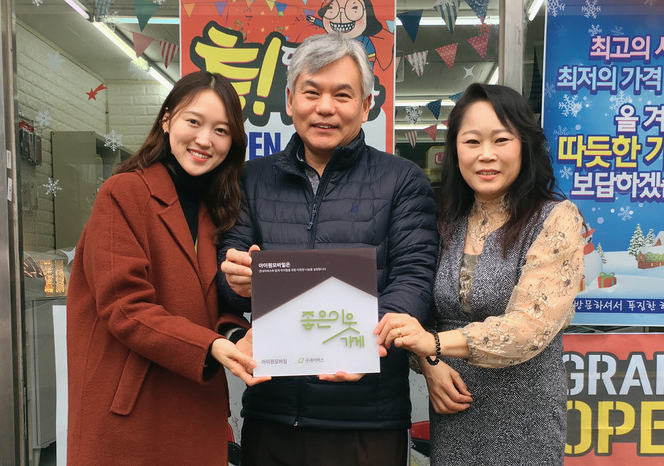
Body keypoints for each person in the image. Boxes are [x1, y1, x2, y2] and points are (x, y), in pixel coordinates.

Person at [218, 33, 437, 465]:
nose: (324, 107)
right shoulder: (250, 179)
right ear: (290, 99)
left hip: (367, 418)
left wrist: (359, 345)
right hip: (273, 412)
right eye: (312, 92)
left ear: (366, 105)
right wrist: (237, 282)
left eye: (342, 94)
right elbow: (224, 278)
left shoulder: (402, 180)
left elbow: (414, 280)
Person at [375, 83, 584, 465]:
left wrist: (434, 345)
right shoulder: (442, 220)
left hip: (526, 417)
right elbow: (419, 314)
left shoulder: (555, 219)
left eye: (501, 140)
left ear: (524, 145)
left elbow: (529, 327)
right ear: (455, 151)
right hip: (454, 409)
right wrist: (430, 364)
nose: (486, 154)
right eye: (472, 141)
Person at [66, 71, 268, 465]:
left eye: (221, 130)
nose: (205, 140)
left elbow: (208, 302)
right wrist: (211, 346)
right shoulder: (123, 193)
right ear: (166, 120)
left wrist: (234, 333)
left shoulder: (218, 208)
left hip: (195, 405)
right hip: (131, 415)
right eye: (194, 121)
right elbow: (123, 306)